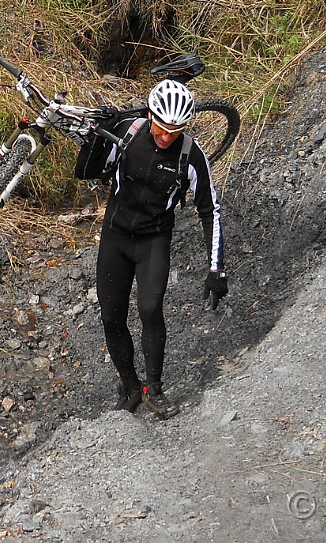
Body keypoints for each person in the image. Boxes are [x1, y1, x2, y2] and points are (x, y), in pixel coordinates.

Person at [96, 79, 228, 419]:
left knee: (150, 308)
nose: (166, 135)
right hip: (115, 236)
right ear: (151, 114)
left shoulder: (191, 156)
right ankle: (130, 387)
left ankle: (154, 389)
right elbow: (88, 168)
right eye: (161, 126)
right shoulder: (128, 133)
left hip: (153, 241)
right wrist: (96, 135)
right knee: (111, 315)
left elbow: (209, 210)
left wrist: (216, 269)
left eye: (175, 129)